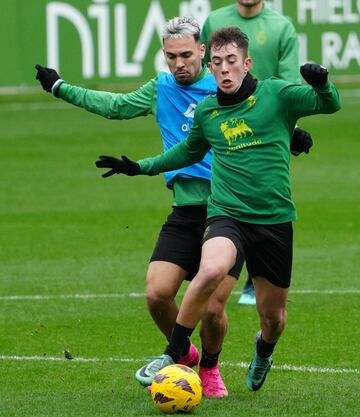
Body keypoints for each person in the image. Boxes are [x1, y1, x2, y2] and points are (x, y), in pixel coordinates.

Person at [95, 27, 341, 391]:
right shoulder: (208, 111)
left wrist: (322, 84)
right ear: (210, 66)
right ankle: (173, 352)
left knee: (273, 318)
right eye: (217, 63)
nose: (224, 70)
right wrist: (141, 166)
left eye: (231, 62)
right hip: (227, 214)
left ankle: (264, 350)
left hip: (273, 220)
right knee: (211, 269)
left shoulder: (276, 93)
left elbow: (329, 103)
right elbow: (188, 152)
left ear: (246, 63)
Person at [35, 16, 235, 398]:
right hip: (185, 211)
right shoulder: (161, 88)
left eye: (186, 55)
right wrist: (60, 87)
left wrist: (290, 135)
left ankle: (210, 367)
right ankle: (186, 353)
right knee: (157, 294)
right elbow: (115, 106)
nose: (179, 64)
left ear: (203, 52)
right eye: (171, 56)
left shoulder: (225, 86)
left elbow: (261, 114)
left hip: (228, 213)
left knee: (212, 309)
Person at [201, 0, 313, 305]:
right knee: (224, 192)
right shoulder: (214, 21)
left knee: (265, 193)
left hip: (268, 125)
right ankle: (219, 262)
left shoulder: (281, 27)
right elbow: (204, 71)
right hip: (224, 120)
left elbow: (289, 83)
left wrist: (288, 130)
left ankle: (254, 275)